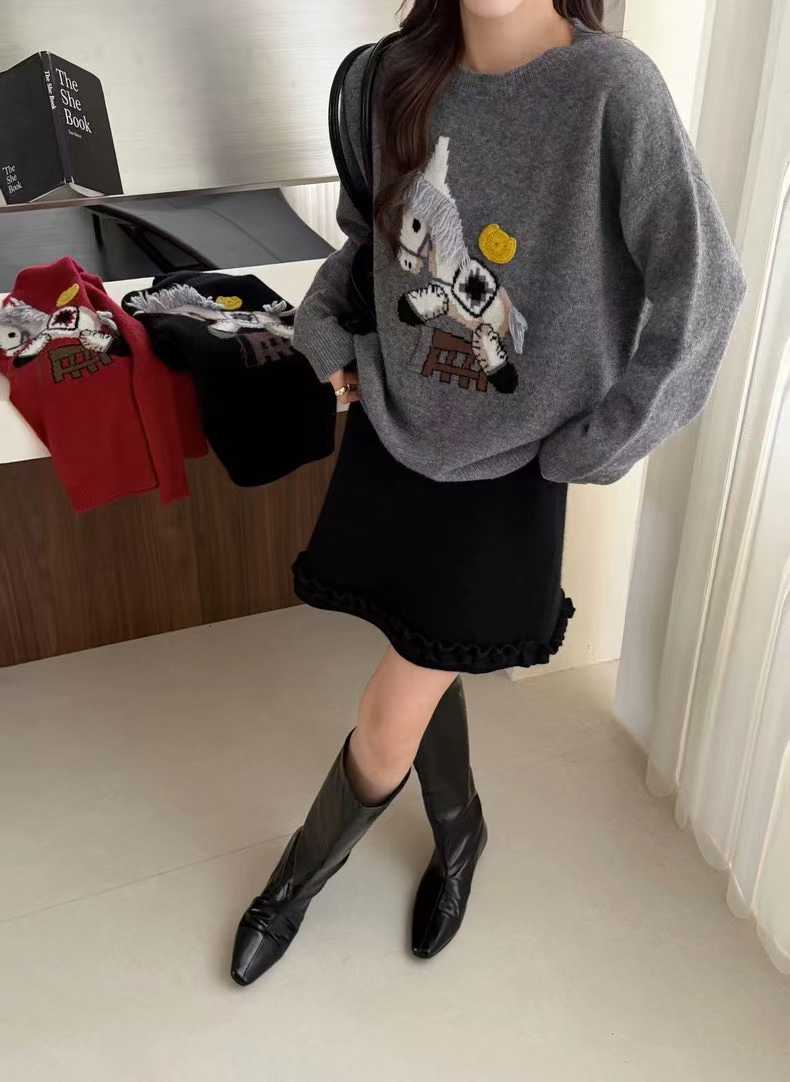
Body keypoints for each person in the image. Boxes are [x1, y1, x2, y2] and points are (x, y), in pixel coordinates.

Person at [230, 0, 748, 986]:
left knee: (394, 702)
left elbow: (706, 288)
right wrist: (325, 332)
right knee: (424, 640)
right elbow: (369, 242)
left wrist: (607, 438)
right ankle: (460, 831)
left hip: (511, 463)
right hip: (393, 429)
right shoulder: (393, 73)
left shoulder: (612, 90)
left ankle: (291, 887)